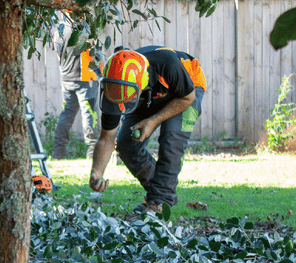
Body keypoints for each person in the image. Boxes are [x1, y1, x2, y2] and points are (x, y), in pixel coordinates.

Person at [89, 46, 207, 214]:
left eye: (125, 94)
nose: (119, 99)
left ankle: (159, 203)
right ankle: (158, 194)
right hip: (145, 94)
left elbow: (187, 97)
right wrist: (96, 172)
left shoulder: (167, 63)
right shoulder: (115, 87)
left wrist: (152, 121)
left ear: (143, 80)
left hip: (187, 90)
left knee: (171, 138)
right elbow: (106, 137)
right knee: (126, 144)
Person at [52, 17, 100, 160]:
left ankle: (57, 153)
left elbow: (58, 55)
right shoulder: (84, 28)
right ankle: (92, 154)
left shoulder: (59, 29)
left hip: (66, 77)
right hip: (84, 78)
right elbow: (92, 55)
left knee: (66, 114)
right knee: (89, 115)